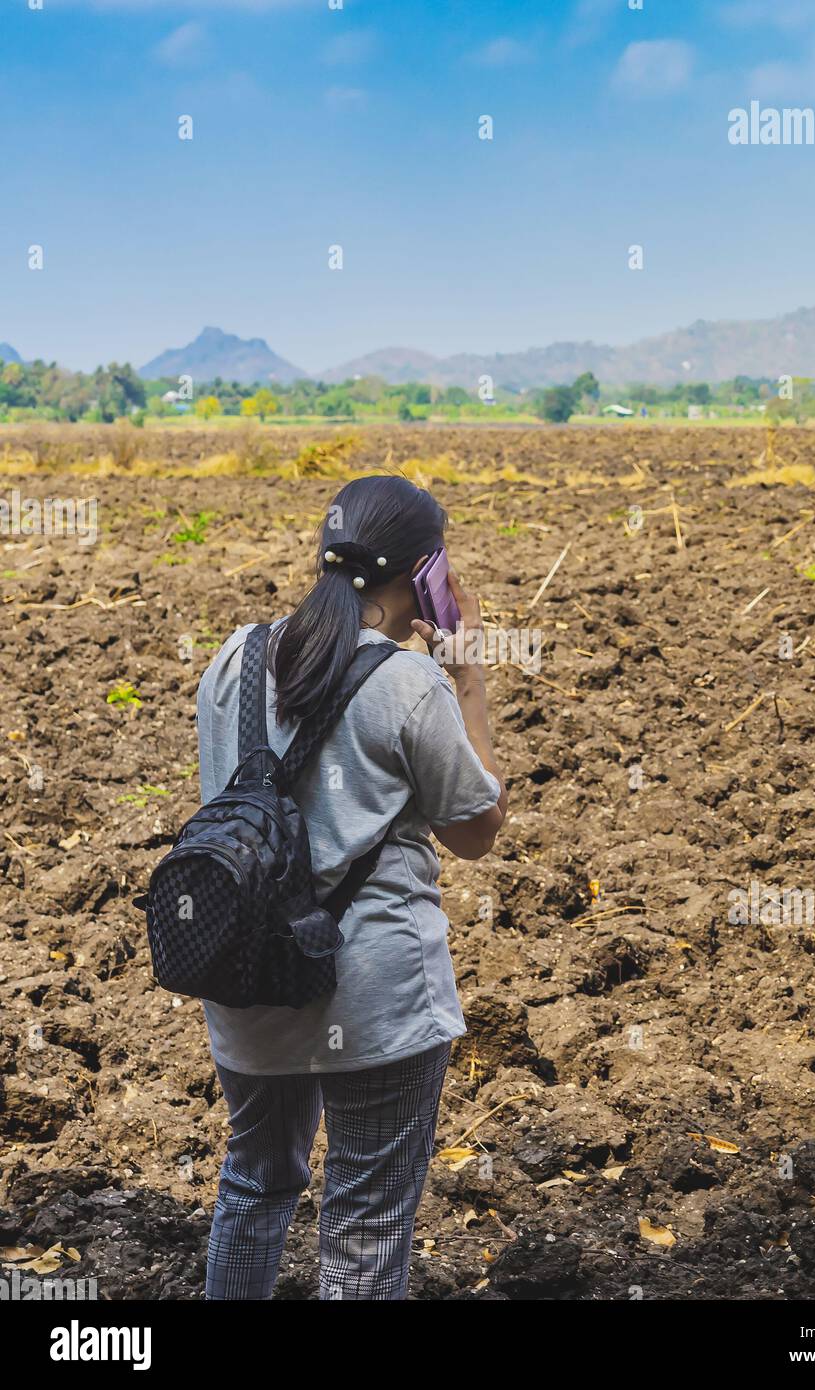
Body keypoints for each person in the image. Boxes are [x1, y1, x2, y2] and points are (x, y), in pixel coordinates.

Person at [195, 475, 507, 1300]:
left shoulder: (234, 657)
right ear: (427, 573)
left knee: (255, 1186)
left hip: (244, 976)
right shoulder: (410, 685)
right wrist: (466, 675)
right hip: (374, 994)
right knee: (364, 1227)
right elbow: (476, 830)